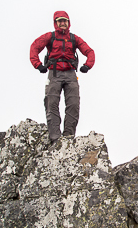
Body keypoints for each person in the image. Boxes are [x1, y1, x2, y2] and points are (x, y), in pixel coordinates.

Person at [30, 11, 95, 144]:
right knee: (51, 104)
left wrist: (87, 66)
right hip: (54, 73)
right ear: (56, 23)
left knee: (73, 105)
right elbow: (34, 47)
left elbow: (89, 52)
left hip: (71, 74)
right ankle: (55, 138)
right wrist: (38, 65)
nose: (62, 23)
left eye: (65, 20)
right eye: (60, 21)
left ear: (68, 22)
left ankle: (68, 138)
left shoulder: (74, 38)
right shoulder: (50, 36)